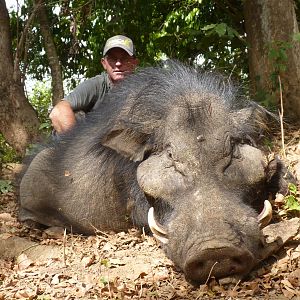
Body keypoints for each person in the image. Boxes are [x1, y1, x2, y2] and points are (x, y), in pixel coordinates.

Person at [49, 35, 139, 135]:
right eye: (113, 59)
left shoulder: (143, 90)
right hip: (88, 142)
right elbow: (58, 112)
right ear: (104, 63)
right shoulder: (96, 85)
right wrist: (78, 145)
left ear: (135, 63)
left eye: (124, 58)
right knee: (78, 116)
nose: (118, 63)